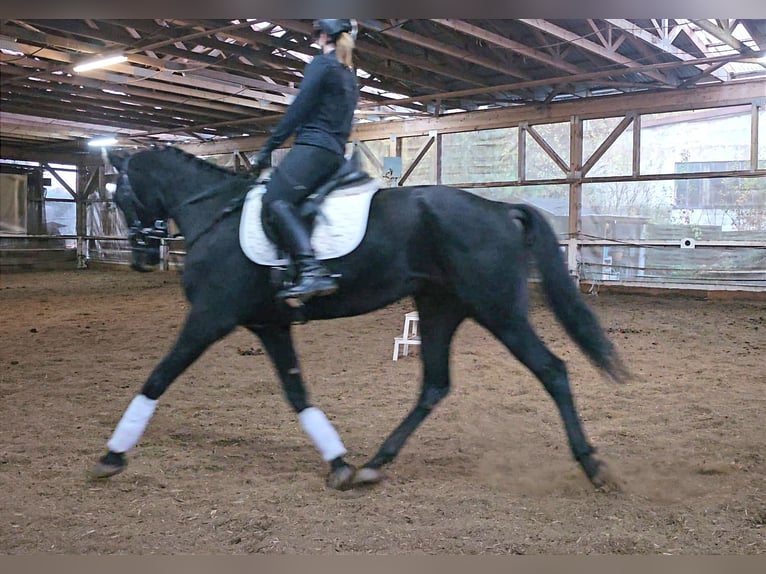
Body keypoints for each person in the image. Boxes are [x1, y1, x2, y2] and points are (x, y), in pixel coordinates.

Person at [254, 19, 359, 305]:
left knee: (275, 199)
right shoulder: (349, 74)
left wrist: (270, 146)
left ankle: (311, 269)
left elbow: (299, 108)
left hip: (314, 146)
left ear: (323, 34)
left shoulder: (322, 65)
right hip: (336, 153)